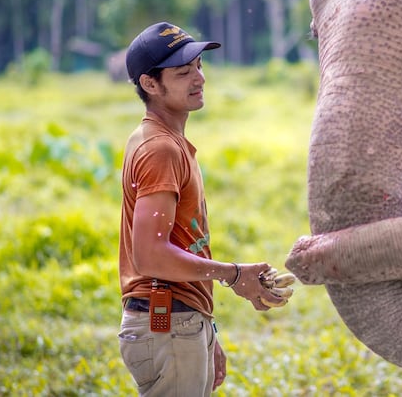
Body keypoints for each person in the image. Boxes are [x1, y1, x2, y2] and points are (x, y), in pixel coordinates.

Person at [117, 21, 285, 396]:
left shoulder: (162, 140)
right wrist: (233, 274)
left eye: (199, 67)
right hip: (167, 325)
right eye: (182, 72)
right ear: (150, 84)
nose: (199, 78)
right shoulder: (160, 149)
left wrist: (205, 329)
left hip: (179, 323)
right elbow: (150, 256)